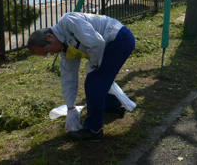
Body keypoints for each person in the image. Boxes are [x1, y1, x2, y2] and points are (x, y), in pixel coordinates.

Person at [28, 12, 135, 142]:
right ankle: (113, 106)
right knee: (99, 80)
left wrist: (94, 64)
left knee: (94, 82)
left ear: (50, 36)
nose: (51, 54)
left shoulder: (68, 22)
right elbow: (69, 79)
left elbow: (97, 43)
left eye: (47, 50)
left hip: (119, 39)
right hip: (112, 42)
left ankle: (94, 130)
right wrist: (71, 108)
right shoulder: (65, 51)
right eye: (47, 54)